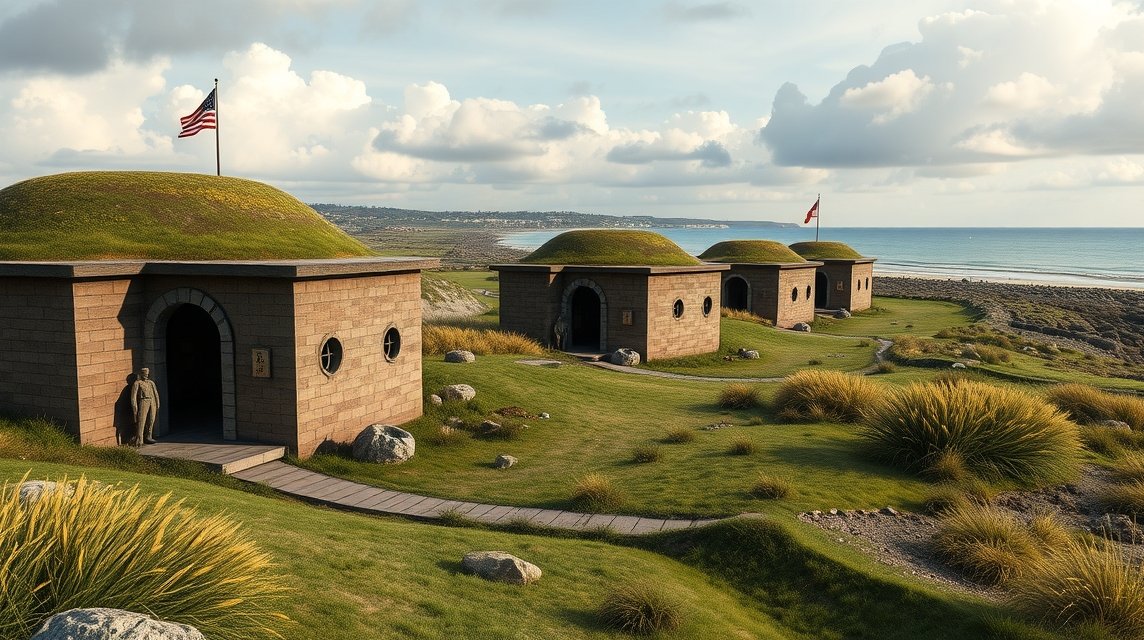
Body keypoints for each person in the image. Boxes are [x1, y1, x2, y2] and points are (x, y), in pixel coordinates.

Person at [131, 367, 160, 446]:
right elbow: (133, 396)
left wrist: (157, 403)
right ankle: (139, 439)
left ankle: (148, 436)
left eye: (147, 374)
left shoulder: (151, 383)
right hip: (143, 401)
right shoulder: (137, 383)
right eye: (145, 374)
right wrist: (135, 407)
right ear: (141, 374)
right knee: (142, 420)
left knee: (151, 419)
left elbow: (155, 393)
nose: (146, 376)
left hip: (152, 400)